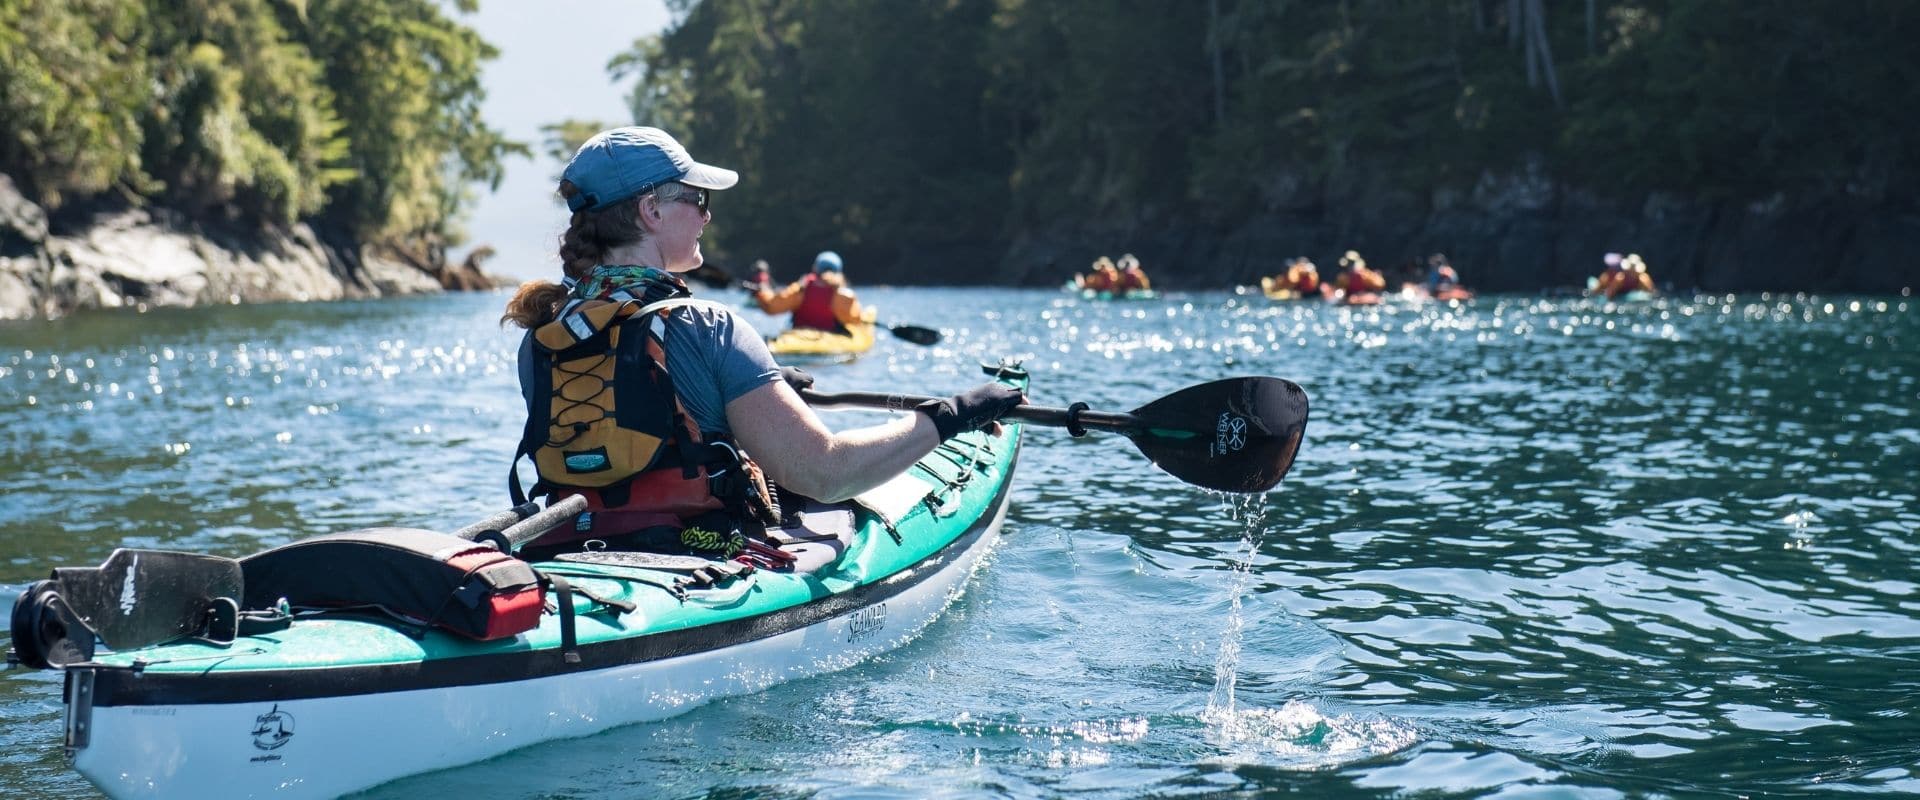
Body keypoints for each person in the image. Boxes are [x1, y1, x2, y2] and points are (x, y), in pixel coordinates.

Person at [500, 126, 1025, 557]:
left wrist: (740, 392)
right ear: (651, 211)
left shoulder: (544, 334)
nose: (706, 215)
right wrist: (951, 416)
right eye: (697, 198)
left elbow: (636, 419)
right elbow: (824, 473)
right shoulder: (709, 326)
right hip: (697, 551)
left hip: (574, 545)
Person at [751, 250, 866, 333]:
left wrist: (762, 289)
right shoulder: (842, 293)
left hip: (799, 336)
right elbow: (855, 320)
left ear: (816, 268)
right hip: (830, 338)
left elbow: (772, 307)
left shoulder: (802, 287)